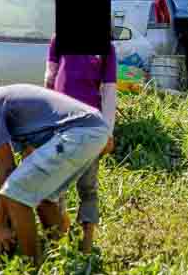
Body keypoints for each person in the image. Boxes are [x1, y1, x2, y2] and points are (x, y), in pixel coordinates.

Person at [0, 75, 110, 264]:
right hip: (93, 129)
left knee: (15, 195)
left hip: (80, 131)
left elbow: (8, 170)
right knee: (42, 196)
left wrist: (0, 224)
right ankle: (63, 258)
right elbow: (28, 156)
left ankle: (32, 266)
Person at [44, 34, 117, 254]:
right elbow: (49, 78)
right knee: (56, 185)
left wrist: (107, 132)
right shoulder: (58, 40)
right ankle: (57, 239)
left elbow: (109, 91)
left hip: (90, 127)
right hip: (60, 124)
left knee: (87, 186)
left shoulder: (107, 48)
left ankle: (86, 242)